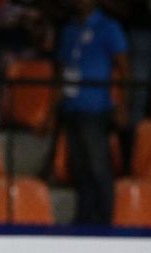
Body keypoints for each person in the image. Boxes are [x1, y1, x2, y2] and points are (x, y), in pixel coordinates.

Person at [56, 0, 129, 225]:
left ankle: (105, 220)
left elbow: (124, 68)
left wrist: (122, 106)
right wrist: (52, 110)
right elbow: (62, 71)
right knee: (79, 168)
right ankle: (84, 219)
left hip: (95, 108)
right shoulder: (69, 29)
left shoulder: (108, 27)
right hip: (72, 107)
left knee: (99, 166)